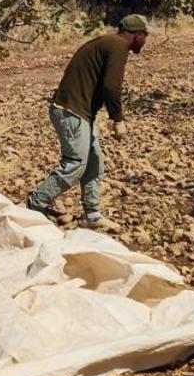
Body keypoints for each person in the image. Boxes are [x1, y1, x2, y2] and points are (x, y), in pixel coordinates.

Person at [25, 15, 148, 231]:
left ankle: (92, 215)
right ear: (137, 35)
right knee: (76, 163)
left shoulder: (107, 43)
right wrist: (117, 119)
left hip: (78, 112)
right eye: (145, 36)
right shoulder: (119, 46)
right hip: (71, 111)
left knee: (93, 163)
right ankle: (33, 205)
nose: (145, 41)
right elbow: (112, 87)